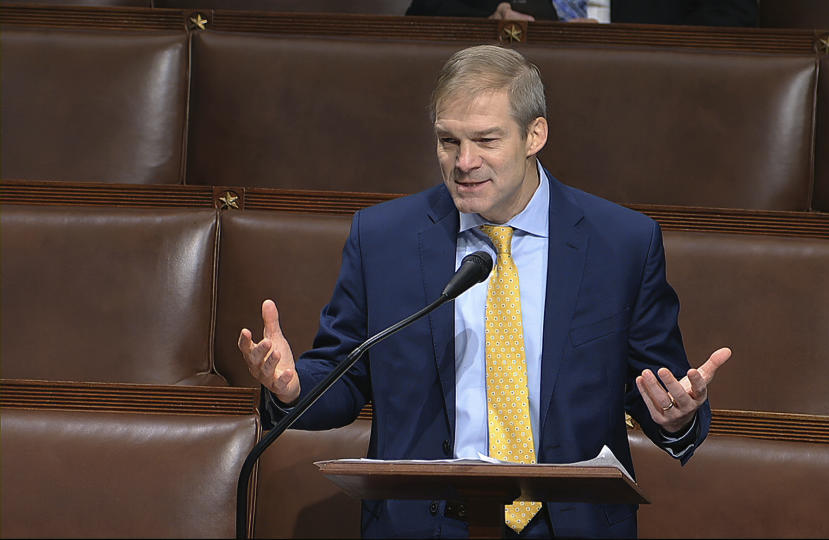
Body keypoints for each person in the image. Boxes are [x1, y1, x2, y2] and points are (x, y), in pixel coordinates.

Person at [238, 44, 731, 538]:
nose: (464, 161)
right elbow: (344, 374)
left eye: (486, 140)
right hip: (425, 526)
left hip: (570, 526)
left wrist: (676, 418)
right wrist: (292, 388)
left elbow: (659, 390)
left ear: (534, 134)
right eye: (448, 141)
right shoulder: (383, 239)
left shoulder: (621, 243)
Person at [405, 0, 758, 27]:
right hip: (507, 79)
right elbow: (422, 14)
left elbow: (732, 19)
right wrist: (488, 23)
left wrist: (624, 39)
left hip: (646, 92)